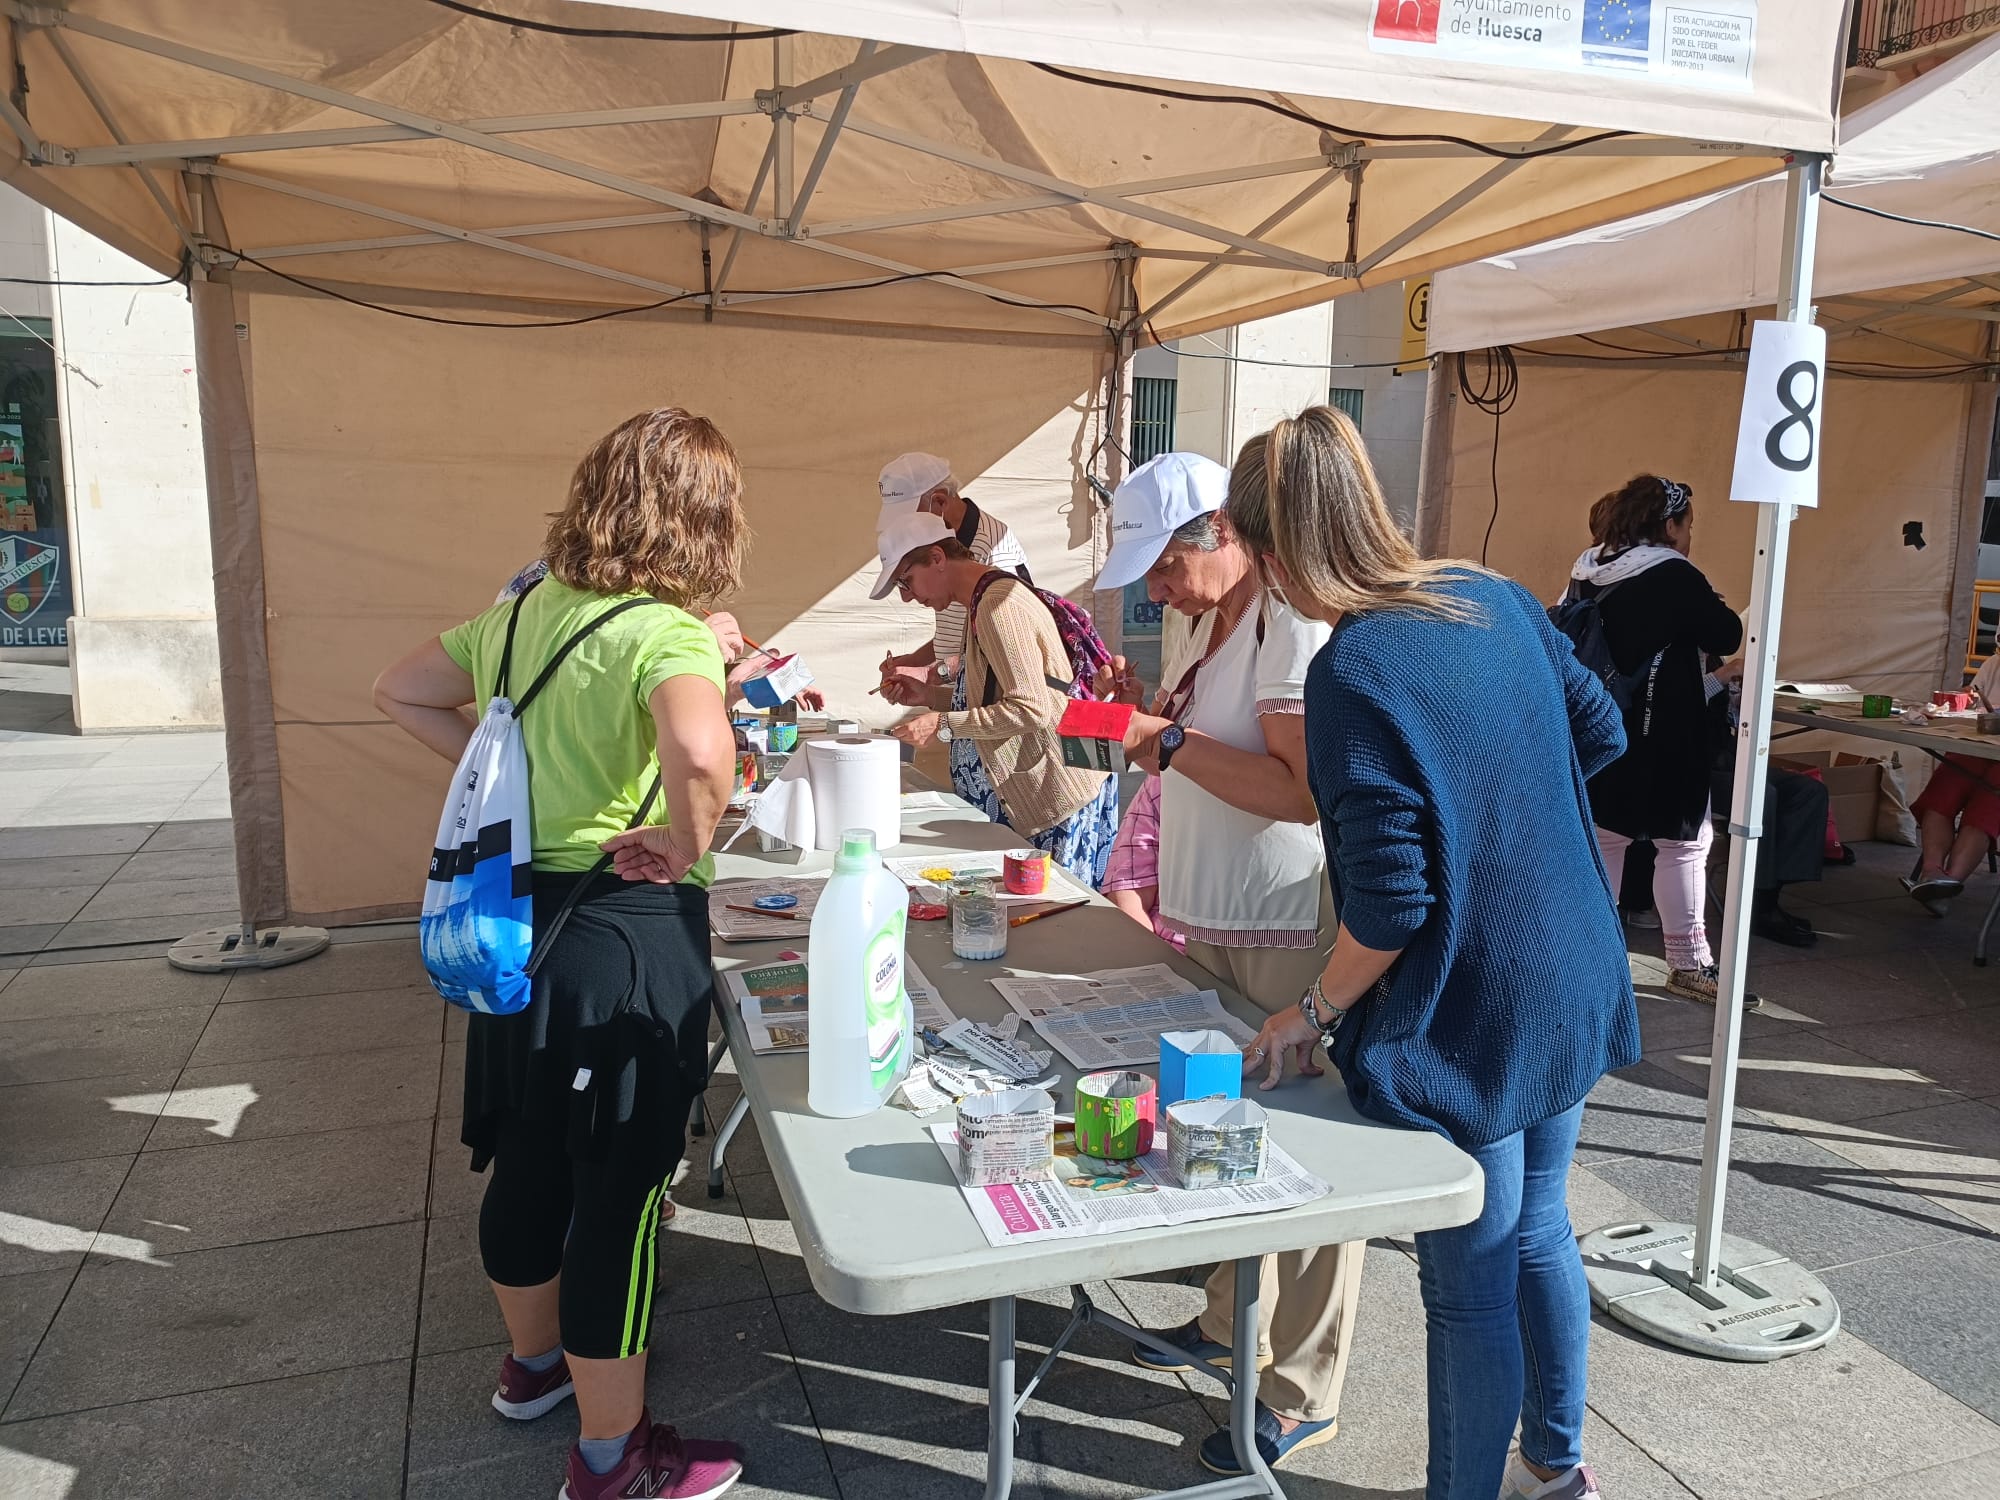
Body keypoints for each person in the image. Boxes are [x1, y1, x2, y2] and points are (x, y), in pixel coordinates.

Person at [1230, 404, 1637, 1500]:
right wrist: (1508, 815)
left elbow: (1390, 909)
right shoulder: (1493, 595)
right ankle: (1555, 1467)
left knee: (1469, 1287)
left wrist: (1305, 1014)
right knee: (1542, 1228)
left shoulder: (1353, 669)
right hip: (1572, 964)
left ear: (1275, 555)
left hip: (1481, 1008)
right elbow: (1598, 735)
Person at [374, 408, 748, 1500]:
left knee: (529, 1156)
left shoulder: (521, 609)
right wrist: (686, 841)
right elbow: (696, 744)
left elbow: (399, 691)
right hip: (618, 937)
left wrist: (505, 794)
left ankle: (531, 1368)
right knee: (621, 1197)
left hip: (512, 929)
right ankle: (613, 1456)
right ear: (706, 519)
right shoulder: (664, 630)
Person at [1096, 449, 1355, 1458]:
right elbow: (1204, 750)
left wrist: (1162, 739)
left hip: (1287, 922)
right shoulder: (1217, 616)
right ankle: (1224, 1321)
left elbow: (1299, 789)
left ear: (1219, 533)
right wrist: (1156, 719)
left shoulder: (1289, 620)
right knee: (1224, 1124)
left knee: (1308, 1152)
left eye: (1162, 567)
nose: (1156, 591)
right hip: (1225, 916)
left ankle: (1300, 1384)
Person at [1565, 475, 1744, 1003]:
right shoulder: (1673, 573)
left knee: (1605, 840)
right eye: (1688, 524)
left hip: (1599, 725)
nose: (1690, 535)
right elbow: (1727, 634)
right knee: (1685, 844)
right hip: (1664, 730)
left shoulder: (1588, 570)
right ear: (1669, 524)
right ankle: (1690, 964)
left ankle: (1589, 962)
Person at [873, 509, 1119, 882]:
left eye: (907, 582)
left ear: (937, 558)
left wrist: (943, 725)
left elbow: (1032, 708)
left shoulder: (996, 606)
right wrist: (929, 695)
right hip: (1047, 793)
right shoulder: (982, 600)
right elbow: (994, 694)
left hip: (1056, 799)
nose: (908, 597)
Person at [873, 452, 1032, 819]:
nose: (908, 596)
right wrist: (916, 668)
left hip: (1012, 764)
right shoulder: (949, 566)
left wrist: (936, 676)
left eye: (906, 581)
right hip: (977, 734)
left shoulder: (992, 565)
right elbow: (956, 636)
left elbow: (1012, 677)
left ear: (940, 502)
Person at [497, 557, 823, 712]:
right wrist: (698, 653)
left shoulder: (629, 605)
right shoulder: (552, 593)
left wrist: (737, 685)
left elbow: (642, 706)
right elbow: (661, 731)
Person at [1706, 659, 1828, 945]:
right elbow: (1673, 702)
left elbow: (1730, 723)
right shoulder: (1667, 652)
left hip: (1726, 760)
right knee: (1760, 795)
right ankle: (1759, 906)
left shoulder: (1711, 655)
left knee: (1808, 791)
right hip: (1689, 769)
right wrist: (1721, 677)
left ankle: (1768, 898)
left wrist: (1738, 701)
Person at [1908, 649, 2000, 904]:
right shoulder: (1995, 662)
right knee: (1944, 787)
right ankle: (1932, 873)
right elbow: (1974, 695)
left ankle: (1947, 886)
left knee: (1987, 804)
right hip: (1984, 744)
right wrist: (1959, 703)